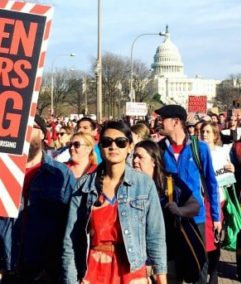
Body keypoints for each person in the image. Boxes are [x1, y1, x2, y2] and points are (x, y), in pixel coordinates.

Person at [62, 120, 167, 284]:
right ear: (100, 146)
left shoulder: (144, 185)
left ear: (130, 147)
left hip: (132, 272)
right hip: (94, 272)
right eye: (106, 142)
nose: (113, 147)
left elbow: (156, 237)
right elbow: (70, 240)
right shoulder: (83, 187)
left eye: (120, 142)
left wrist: (161, 279)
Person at [0, 115, 76, 283]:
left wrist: (53, 269)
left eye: (31, 127)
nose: (24, 132)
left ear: (43, 134)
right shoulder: (3, 172)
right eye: (21, 127)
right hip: (7, 271)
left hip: (44, 273)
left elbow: (69, 227)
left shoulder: (60, 175)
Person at [155, 104, 221, 284]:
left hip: (195, 219)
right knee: (172, 272)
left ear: (176, 122)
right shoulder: (158, 150)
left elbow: (211, 184)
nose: (159, 122)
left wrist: (216, 217)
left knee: (198, 269)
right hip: (169, 220)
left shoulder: (199, 148)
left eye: (163, 119)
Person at [133, 139, 199, 283]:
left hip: (170, 255)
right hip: (138, 258)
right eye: (134, 156)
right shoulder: (129, 184)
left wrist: (179, 210)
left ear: (154, 160)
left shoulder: (170, 181)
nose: (135, 160)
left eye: (140, 157)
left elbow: (194, 205)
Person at [200, 121, 235, 284]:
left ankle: (213, 275)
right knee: (204, 240)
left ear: (215, 135)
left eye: (208, 131)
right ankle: (204, 272)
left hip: (217, 201)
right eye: (202, 131)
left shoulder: (222, 152)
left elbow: (228, 180)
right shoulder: (195, 152)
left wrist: (231, 170)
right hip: (201, 202)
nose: (204, 134)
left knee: (215, 239)